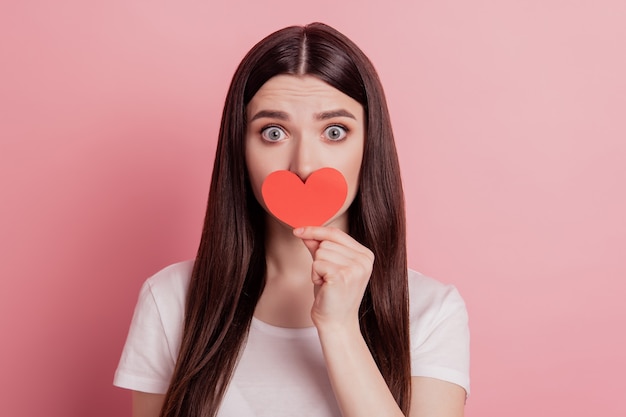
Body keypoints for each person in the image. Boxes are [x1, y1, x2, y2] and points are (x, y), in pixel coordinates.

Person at [113, 22, 470, 417]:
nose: (303, 164)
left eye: (334, 131)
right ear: (241, 148)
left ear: (370, 145)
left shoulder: (430, 311)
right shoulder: (170, 300)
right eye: (273, 132)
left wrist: (339, 328)